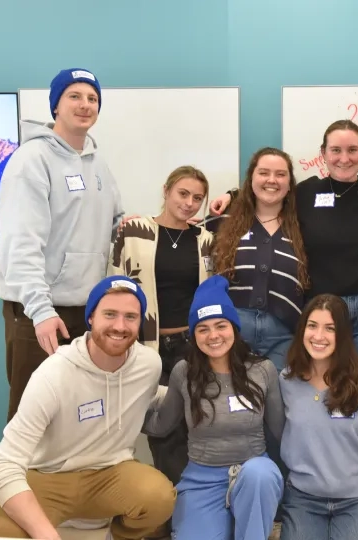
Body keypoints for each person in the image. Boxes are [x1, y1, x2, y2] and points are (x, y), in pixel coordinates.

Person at [0, 276, 176, 540]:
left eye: (130, 317)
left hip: (111, 473)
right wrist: (46, 535)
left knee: (159, 497)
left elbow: (150, 397)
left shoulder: (148, 364)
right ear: (91, 318)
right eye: (109, 314)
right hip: (49, 476)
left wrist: (192, 393)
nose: (120, 326)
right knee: (2, 533)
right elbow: (2, 467)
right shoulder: (54, 374)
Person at [0, 67, 124, 422]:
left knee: (79, 413)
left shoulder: (99, 165)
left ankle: (73, 479)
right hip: (39, 313)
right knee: (33, 415)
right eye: (75, 96)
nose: (85, 105)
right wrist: (41, 311)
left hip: (86, 311)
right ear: (55, 106)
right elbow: (21, 244)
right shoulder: (31, 160)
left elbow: (114, 222)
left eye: (92, 98)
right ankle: (23, 479)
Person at [211, 120, 358, 361]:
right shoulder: (307, 192)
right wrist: (231, 195)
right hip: (322, 311)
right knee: (322, 382)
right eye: (335, 150)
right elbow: (271, 190)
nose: (344, 158)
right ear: (323, 153)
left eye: (352, 150)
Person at [109, 165, 213, 528]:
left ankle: (189, 515)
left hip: (191, 347)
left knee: (193, 428)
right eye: (182, 194)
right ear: (166, 190)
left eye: (197, 197)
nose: (189, 203)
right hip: (148, 348)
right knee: (161, 429)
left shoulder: (205, 240)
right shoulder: (135, 231)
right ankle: (168, 516)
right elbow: (114, 287)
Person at [143, 275, 285, 540]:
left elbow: (282, 432)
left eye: (221, 325)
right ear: (194, 334)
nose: (213, 335)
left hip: (254, 475)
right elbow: (161, 425)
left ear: (234, 328)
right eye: (203, 328)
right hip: (202, 479)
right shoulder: (183, 372)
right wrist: (122, 411)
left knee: (260, 474)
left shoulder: (262, 370)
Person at [278, 294, 358, 540]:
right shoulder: (287, 379)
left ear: (343, 335)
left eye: (330, 328)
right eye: (312, 326)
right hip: (303, 499)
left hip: (356, 499)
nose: (319, 336)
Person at [210, 147, 309, 371]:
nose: (272, 180)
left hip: (284, 338)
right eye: (264, 173)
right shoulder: (222, 220)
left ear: (290, 182)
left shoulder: (304, 225)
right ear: (251, 177)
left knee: (275, 403)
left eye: (281, 174)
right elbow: (182, 232)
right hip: (230, 333)